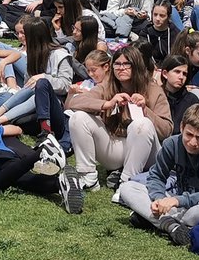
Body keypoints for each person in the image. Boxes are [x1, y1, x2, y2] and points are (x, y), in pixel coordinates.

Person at [117, 104, 199, 246]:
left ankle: (158, 221)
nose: (193, 142)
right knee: (127, 188)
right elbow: (157, 176)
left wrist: (177, 201)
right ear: (181, 127)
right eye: (189, 134)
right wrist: (159, 200)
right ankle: (173, 226)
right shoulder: (172, 144)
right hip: (184, 204)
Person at [66, 45, 171, 196]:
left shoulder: (153, 89)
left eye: (126, 64)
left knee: (142, 124)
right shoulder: (107, 86)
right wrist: (106, 104)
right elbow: (73, 103)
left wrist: (145, 110)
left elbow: (166, 130)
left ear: (136, 65)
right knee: (78, 117)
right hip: (117, 147)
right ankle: (87, 175)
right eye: (117, 64)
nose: (121, 68)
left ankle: (127, 183)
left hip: (148, 152)